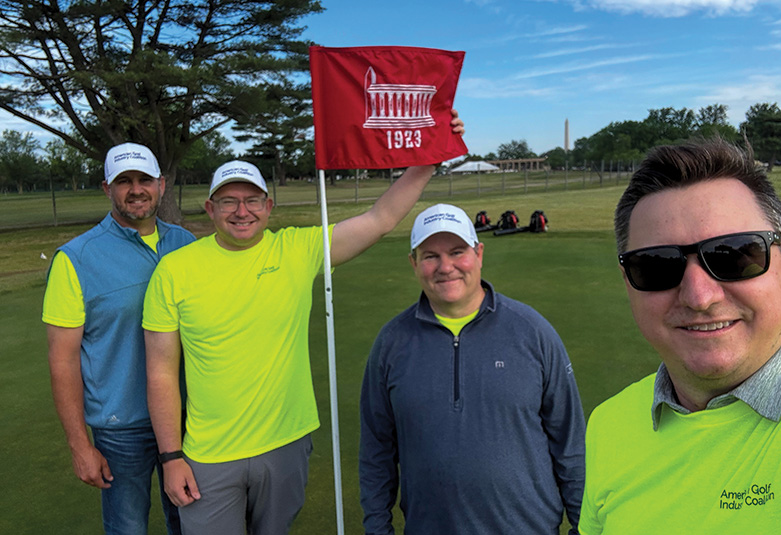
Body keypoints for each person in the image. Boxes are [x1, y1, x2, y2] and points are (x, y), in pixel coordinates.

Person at [142, 112, 465, 535]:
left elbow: (380, 219)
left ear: (268, 206)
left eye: (253, 200)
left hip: (285, 445)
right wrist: (170, 457)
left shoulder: (296, 248)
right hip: (208, 454)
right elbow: (161, 370)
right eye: (228, 201)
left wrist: (428, 159)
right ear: (210, 208)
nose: (242, 211)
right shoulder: (175, 269)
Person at [579, 139, 781, 534]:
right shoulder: (608, 424)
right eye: (656, 265)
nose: (699, 297)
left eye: (733, 254)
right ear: (629, 285)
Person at [359, 203, 585, 535]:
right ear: (414, 262)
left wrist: (585, 526)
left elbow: (570, 443)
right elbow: (376, 452)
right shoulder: (392, 343)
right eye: (430, 256)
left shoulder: (532, 331)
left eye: (457, 252)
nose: (445, 267)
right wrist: (377, 529)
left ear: (478, 253)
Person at [43, 142, 195, 534]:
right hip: (121, 428)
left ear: (161, 184)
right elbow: (63, 361)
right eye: (123, 181)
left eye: (144, 179)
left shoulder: (185, 245)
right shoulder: (75, 258)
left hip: (187, 416)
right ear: (106, 188)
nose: (136, 189)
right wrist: (79, 445)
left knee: (191, 521)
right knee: (128, 528)